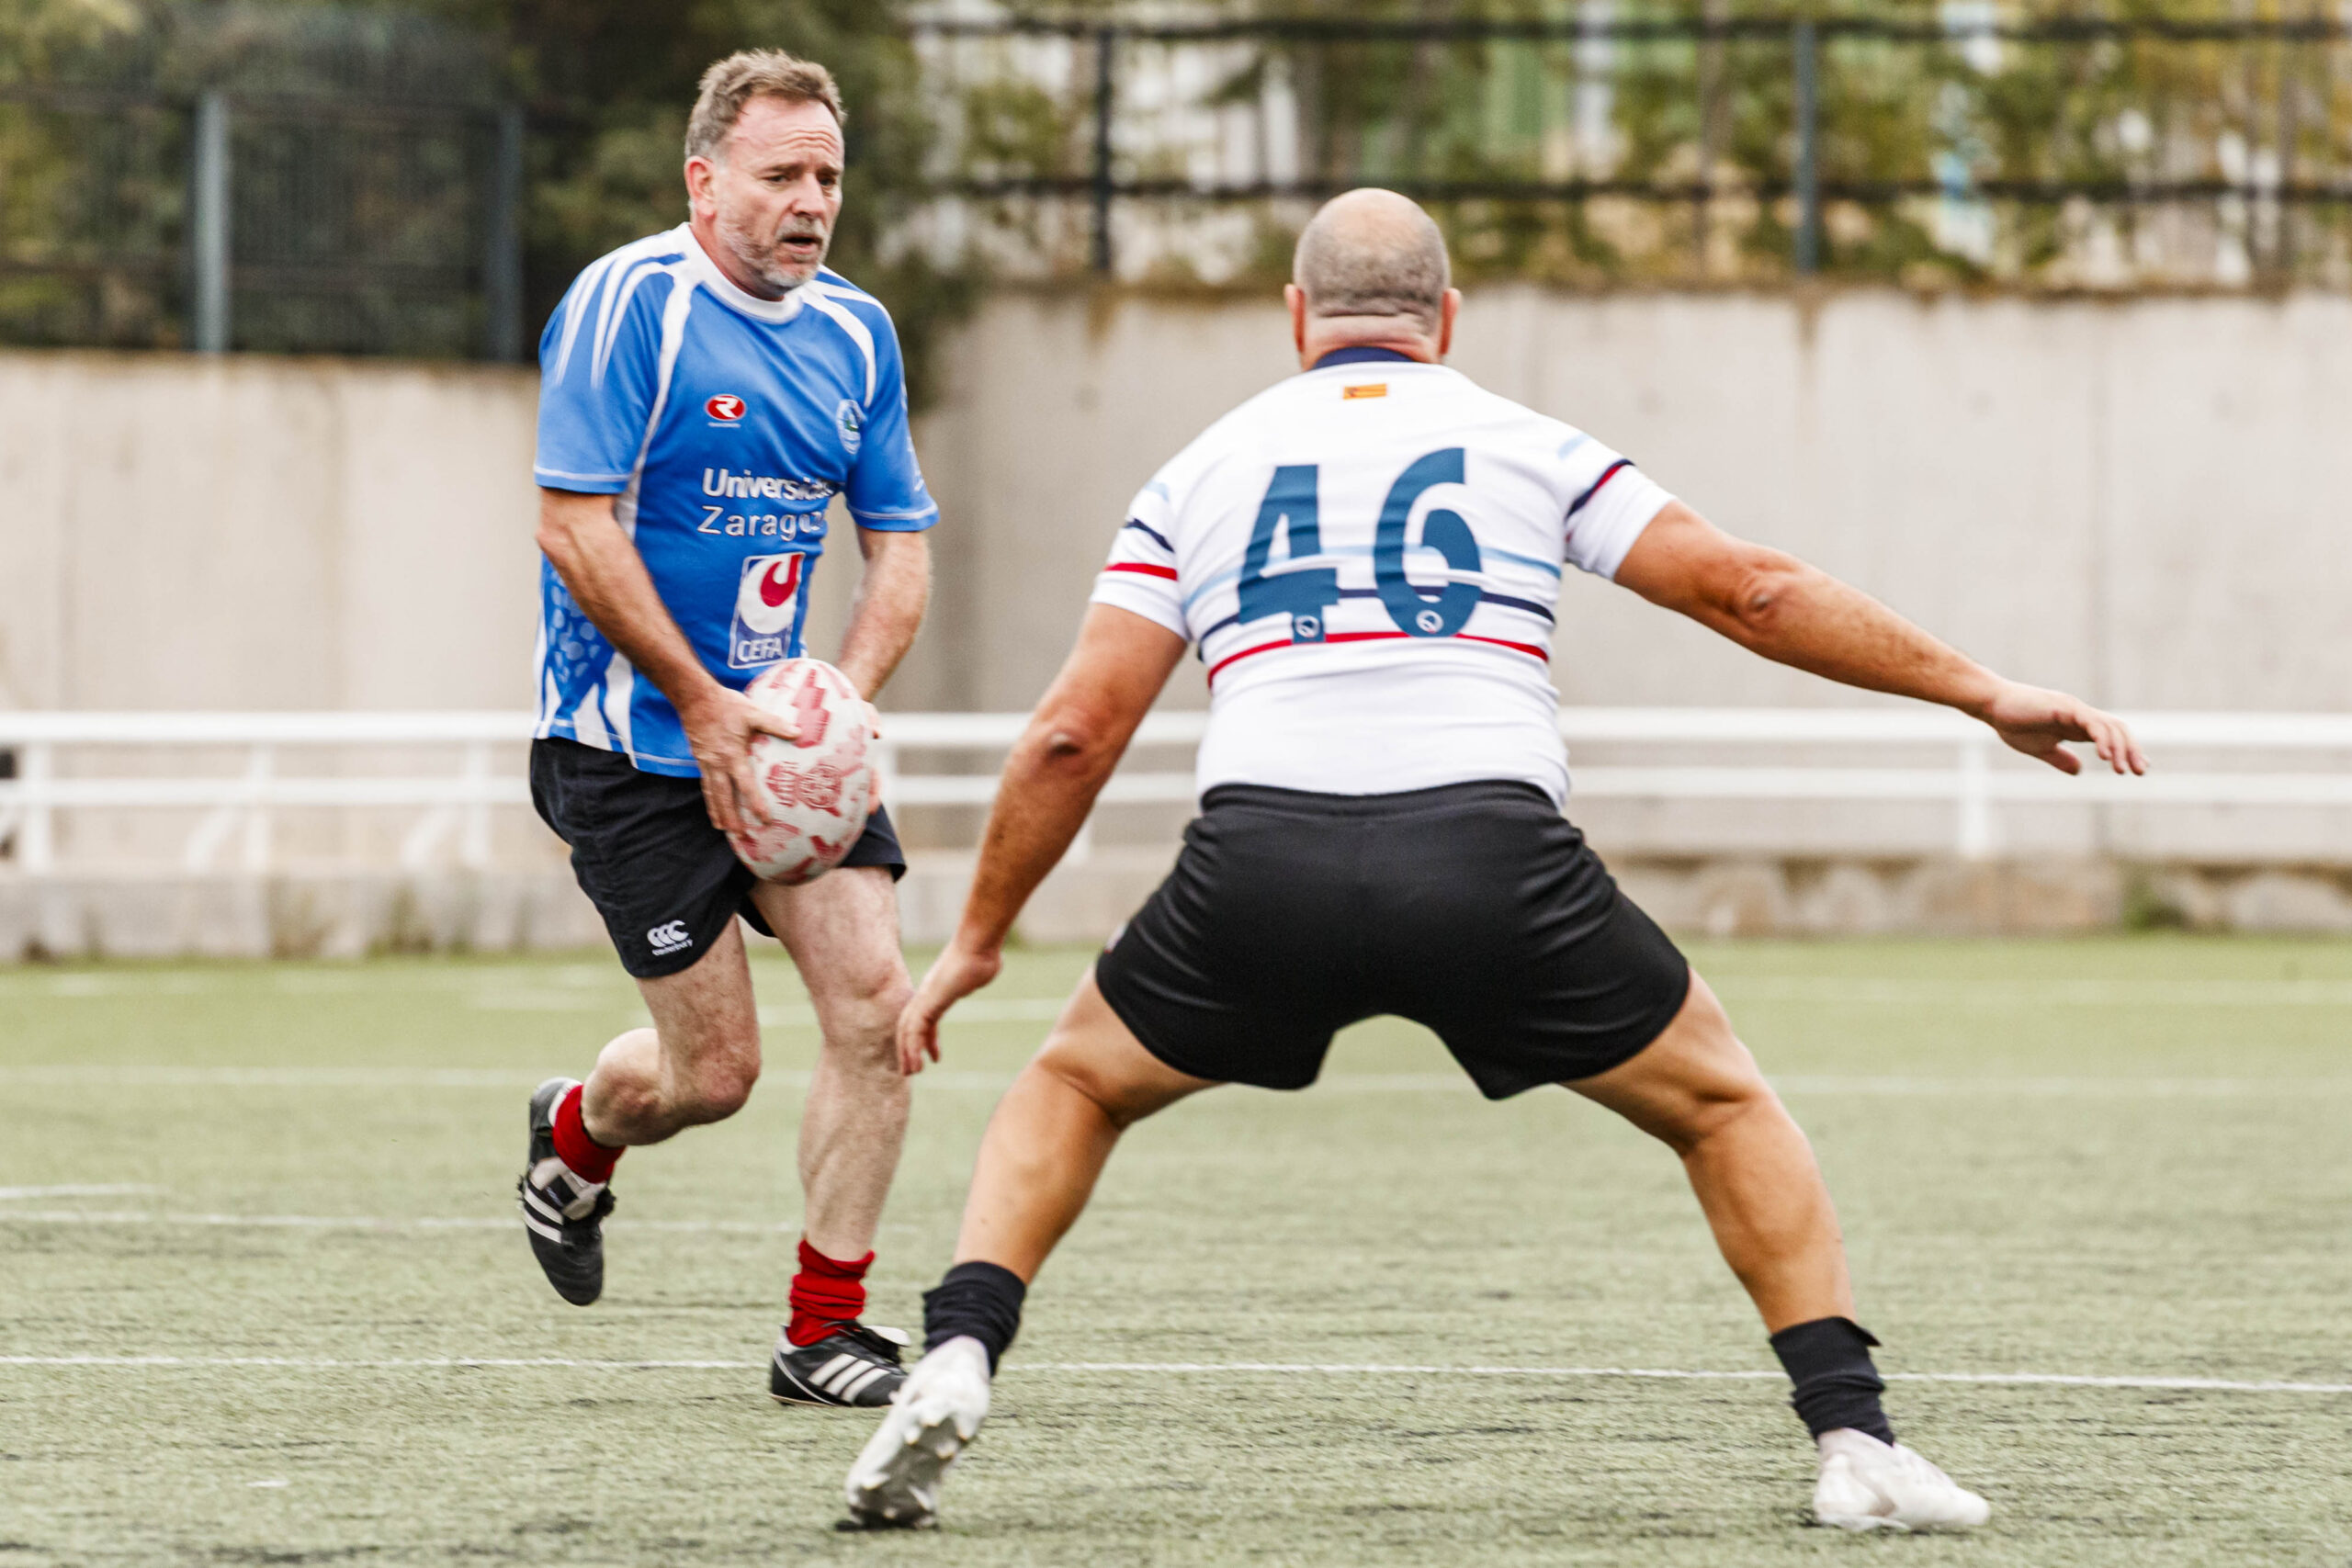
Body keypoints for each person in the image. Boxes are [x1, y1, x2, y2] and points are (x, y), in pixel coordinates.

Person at [842, 189, 2148, 1528]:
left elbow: (1073, 733)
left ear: (1297, 319)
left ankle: (956, 1351)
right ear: (1446, 320)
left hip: (1261, 862)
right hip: (1490, 862)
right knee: (1726, 1107)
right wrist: (1981, 691)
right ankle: (1856, 1445)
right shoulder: (1530, 446)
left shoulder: (1199, 472)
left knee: (1072, 1085)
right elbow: (1749, 591)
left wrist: (980, 940)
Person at [517, 50, 934, 1410]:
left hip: (784, 743)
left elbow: (903, 550)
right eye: (781, 174)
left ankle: (823, 1333)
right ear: (705, 179)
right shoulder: (629, 305)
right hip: (628, 745)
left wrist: (843, 707)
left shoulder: (858, 334)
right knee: (714, 1076)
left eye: (828, 175)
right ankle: (575, 1140)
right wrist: (701, 706)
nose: (811, 201)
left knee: (877, 1010)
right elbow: (571, 524)